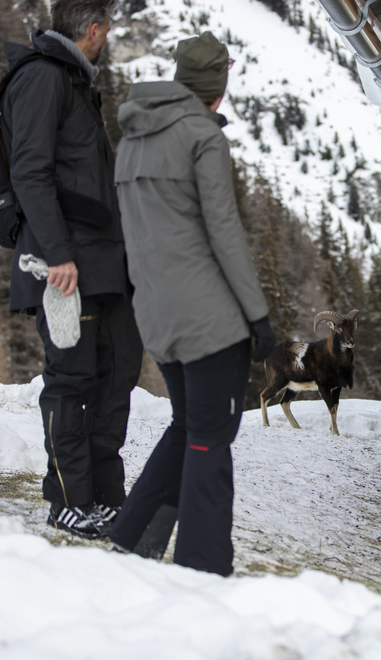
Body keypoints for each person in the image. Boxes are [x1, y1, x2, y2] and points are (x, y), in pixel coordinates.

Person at [109, 31, 276, 576]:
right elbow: (223, 232)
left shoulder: (133, 135)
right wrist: (257, 315)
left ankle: (133, 541)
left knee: (188, 426)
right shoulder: (203, 137)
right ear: (217, 87)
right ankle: (203, 571)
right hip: (209, 318)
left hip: (156, 313)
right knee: (210, 437)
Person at [1, 0, 143, 539]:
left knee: (116, 374)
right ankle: (67, 499)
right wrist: (58, 253)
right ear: (95, 29)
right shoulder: (43, 77)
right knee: (72, 378)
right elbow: (30, 171)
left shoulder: (77, 82)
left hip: (103, 264)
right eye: (107, 29)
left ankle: (105, 497)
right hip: (61, 266)